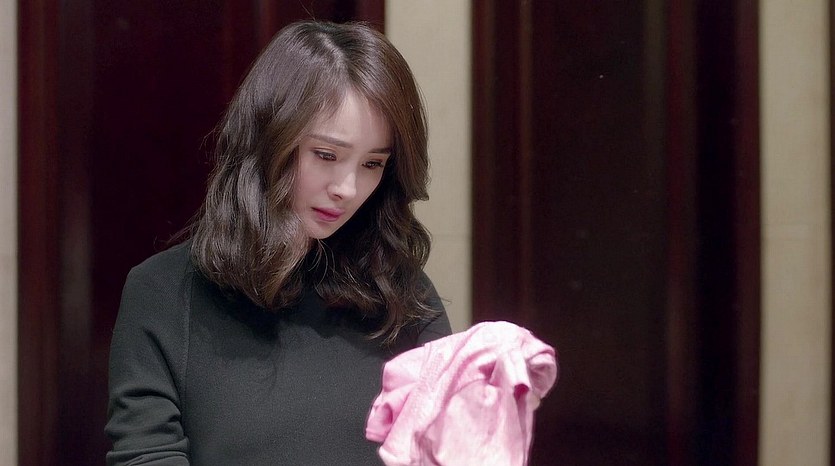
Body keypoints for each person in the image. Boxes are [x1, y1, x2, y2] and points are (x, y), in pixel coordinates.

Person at [105, 20, 451, 466]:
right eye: (326, 155)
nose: (347, 188)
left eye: (372, 164)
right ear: (267, 141)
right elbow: (146, 455)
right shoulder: (163, 293)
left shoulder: (403, 294)